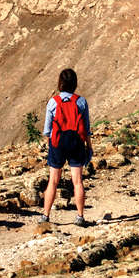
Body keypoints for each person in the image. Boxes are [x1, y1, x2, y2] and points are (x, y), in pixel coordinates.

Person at [41, 67, 92, 226]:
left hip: (58, 143)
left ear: (60, 83)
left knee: (53, 181)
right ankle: (80, 217)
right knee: (77, 181)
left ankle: (45, 216)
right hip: (77, 143)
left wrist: (51, 146)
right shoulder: (81, 101)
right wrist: (89, 147)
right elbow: (87, 128)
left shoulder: (53, 102)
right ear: (75, 83)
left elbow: (47, 130)